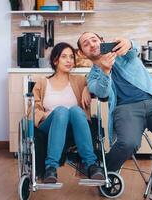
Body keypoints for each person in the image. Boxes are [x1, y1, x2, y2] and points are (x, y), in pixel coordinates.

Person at [77, 32, 152, 200]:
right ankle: (102, 171)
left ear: (102, 41)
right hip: (126, 109)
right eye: (86, 43)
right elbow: (102, 92)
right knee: (128, 143)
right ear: (82, 53)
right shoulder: (93, 76)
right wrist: (105, 71)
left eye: (94, 40)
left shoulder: (122, 54)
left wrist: (129, 43)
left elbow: (133, 49)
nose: (92, 44)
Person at [32, 42, 104, 183]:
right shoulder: (42, 82)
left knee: (76, 110)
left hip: (74, 126)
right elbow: (33, 109)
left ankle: (91, 165)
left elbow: (100, 80)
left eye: (71, 57)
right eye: (64, 56)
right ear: (55, 60)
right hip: (49, 126)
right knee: (61, 111)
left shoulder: (80, 80)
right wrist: (44, 115)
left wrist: (87, 87)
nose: (69, 60)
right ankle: (51, 167)